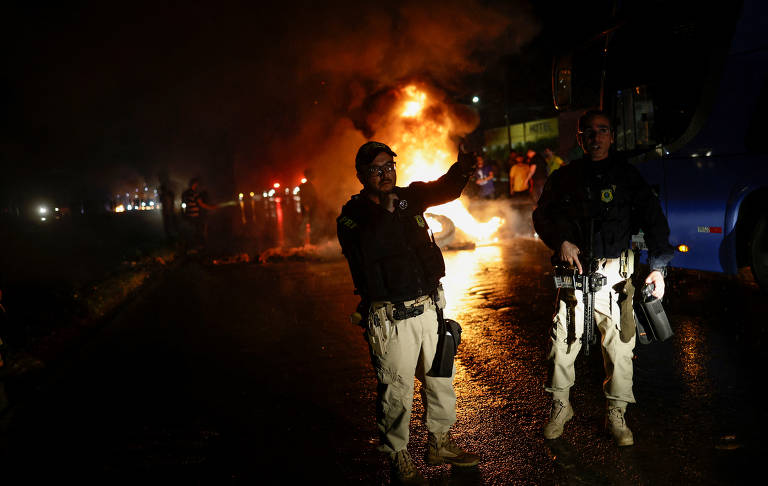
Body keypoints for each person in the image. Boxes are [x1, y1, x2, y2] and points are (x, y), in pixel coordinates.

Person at [337, 141, 480, 484]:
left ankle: (440, 443)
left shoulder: (404, 199)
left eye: (389, 166)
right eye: (376, 169)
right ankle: (398, 455)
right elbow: (368, 249)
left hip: (428, 308)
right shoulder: (353, 216)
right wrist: (386, 213)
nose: (386, 174)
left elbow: (440, 190)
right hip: (390, 317)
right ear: (361, 175)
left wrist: (462, 168)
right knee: (396, 390)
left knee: (440, 382)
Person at [532, 110, 674, 446]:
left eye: (602, 131)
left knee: (621, 347)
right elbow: (542, 216)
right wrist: (560, 241)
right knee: (562, 344)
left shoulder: (627, 177)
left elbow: (655, 221)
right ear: (580, 138)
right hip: (574, 277)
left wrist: (658, 266)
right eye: (588, 132)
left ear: (612, 135)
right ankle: (560, 406)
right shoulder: (565, 178)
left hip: (615, 280)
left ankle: (616, 413)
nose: (595, 138)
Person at [181, 178, 218, 252]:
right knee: (199, 231)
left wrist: (184, 213)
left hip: (189, 215)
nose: (197, 186)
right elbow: (201, 204)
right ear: (194, 184)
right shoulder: (195, 193)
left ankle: (193, 247)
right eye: (197, 184)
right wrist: (211, 207)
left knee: (193, 231)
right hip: (195, 216)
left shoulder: (185, 193)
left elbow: (183, 204)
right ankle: (199, 247)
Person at [299, 168, 319, 243]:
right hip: (308, 207)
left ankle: (311, 240)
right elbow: (304, 197)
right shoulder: (304, 186)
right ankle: (303, 241)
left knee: (311, 223)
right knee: (306, 223)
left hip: (312, 207)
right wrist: (306, 206)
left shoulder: (311, 185)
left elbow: (314, 197)